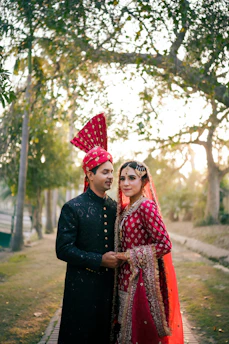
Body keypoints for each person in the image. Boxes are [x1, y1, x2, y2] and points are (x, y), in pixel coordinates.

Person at [56, 113, 119, 344]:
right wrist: (99, 259)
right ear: (89, 174)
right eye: (105, 172)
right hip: (80, 288)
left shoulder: (115, 207)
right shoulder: (72, 208)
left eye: (112, 171)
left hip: (109, 289)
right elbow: (63, 250)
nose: (111, 176)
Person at [112, 161, 184, 344]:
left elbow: (165, 244)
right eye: (122, 178)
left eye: (131, 178)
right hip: (124, 279)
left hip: (141, 281)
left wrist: (127, 256)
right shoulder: (126, 209)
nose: (125, 183)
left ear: (143, 182)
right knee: (124, 331)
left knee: (139, 333)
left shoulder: (146, 207)